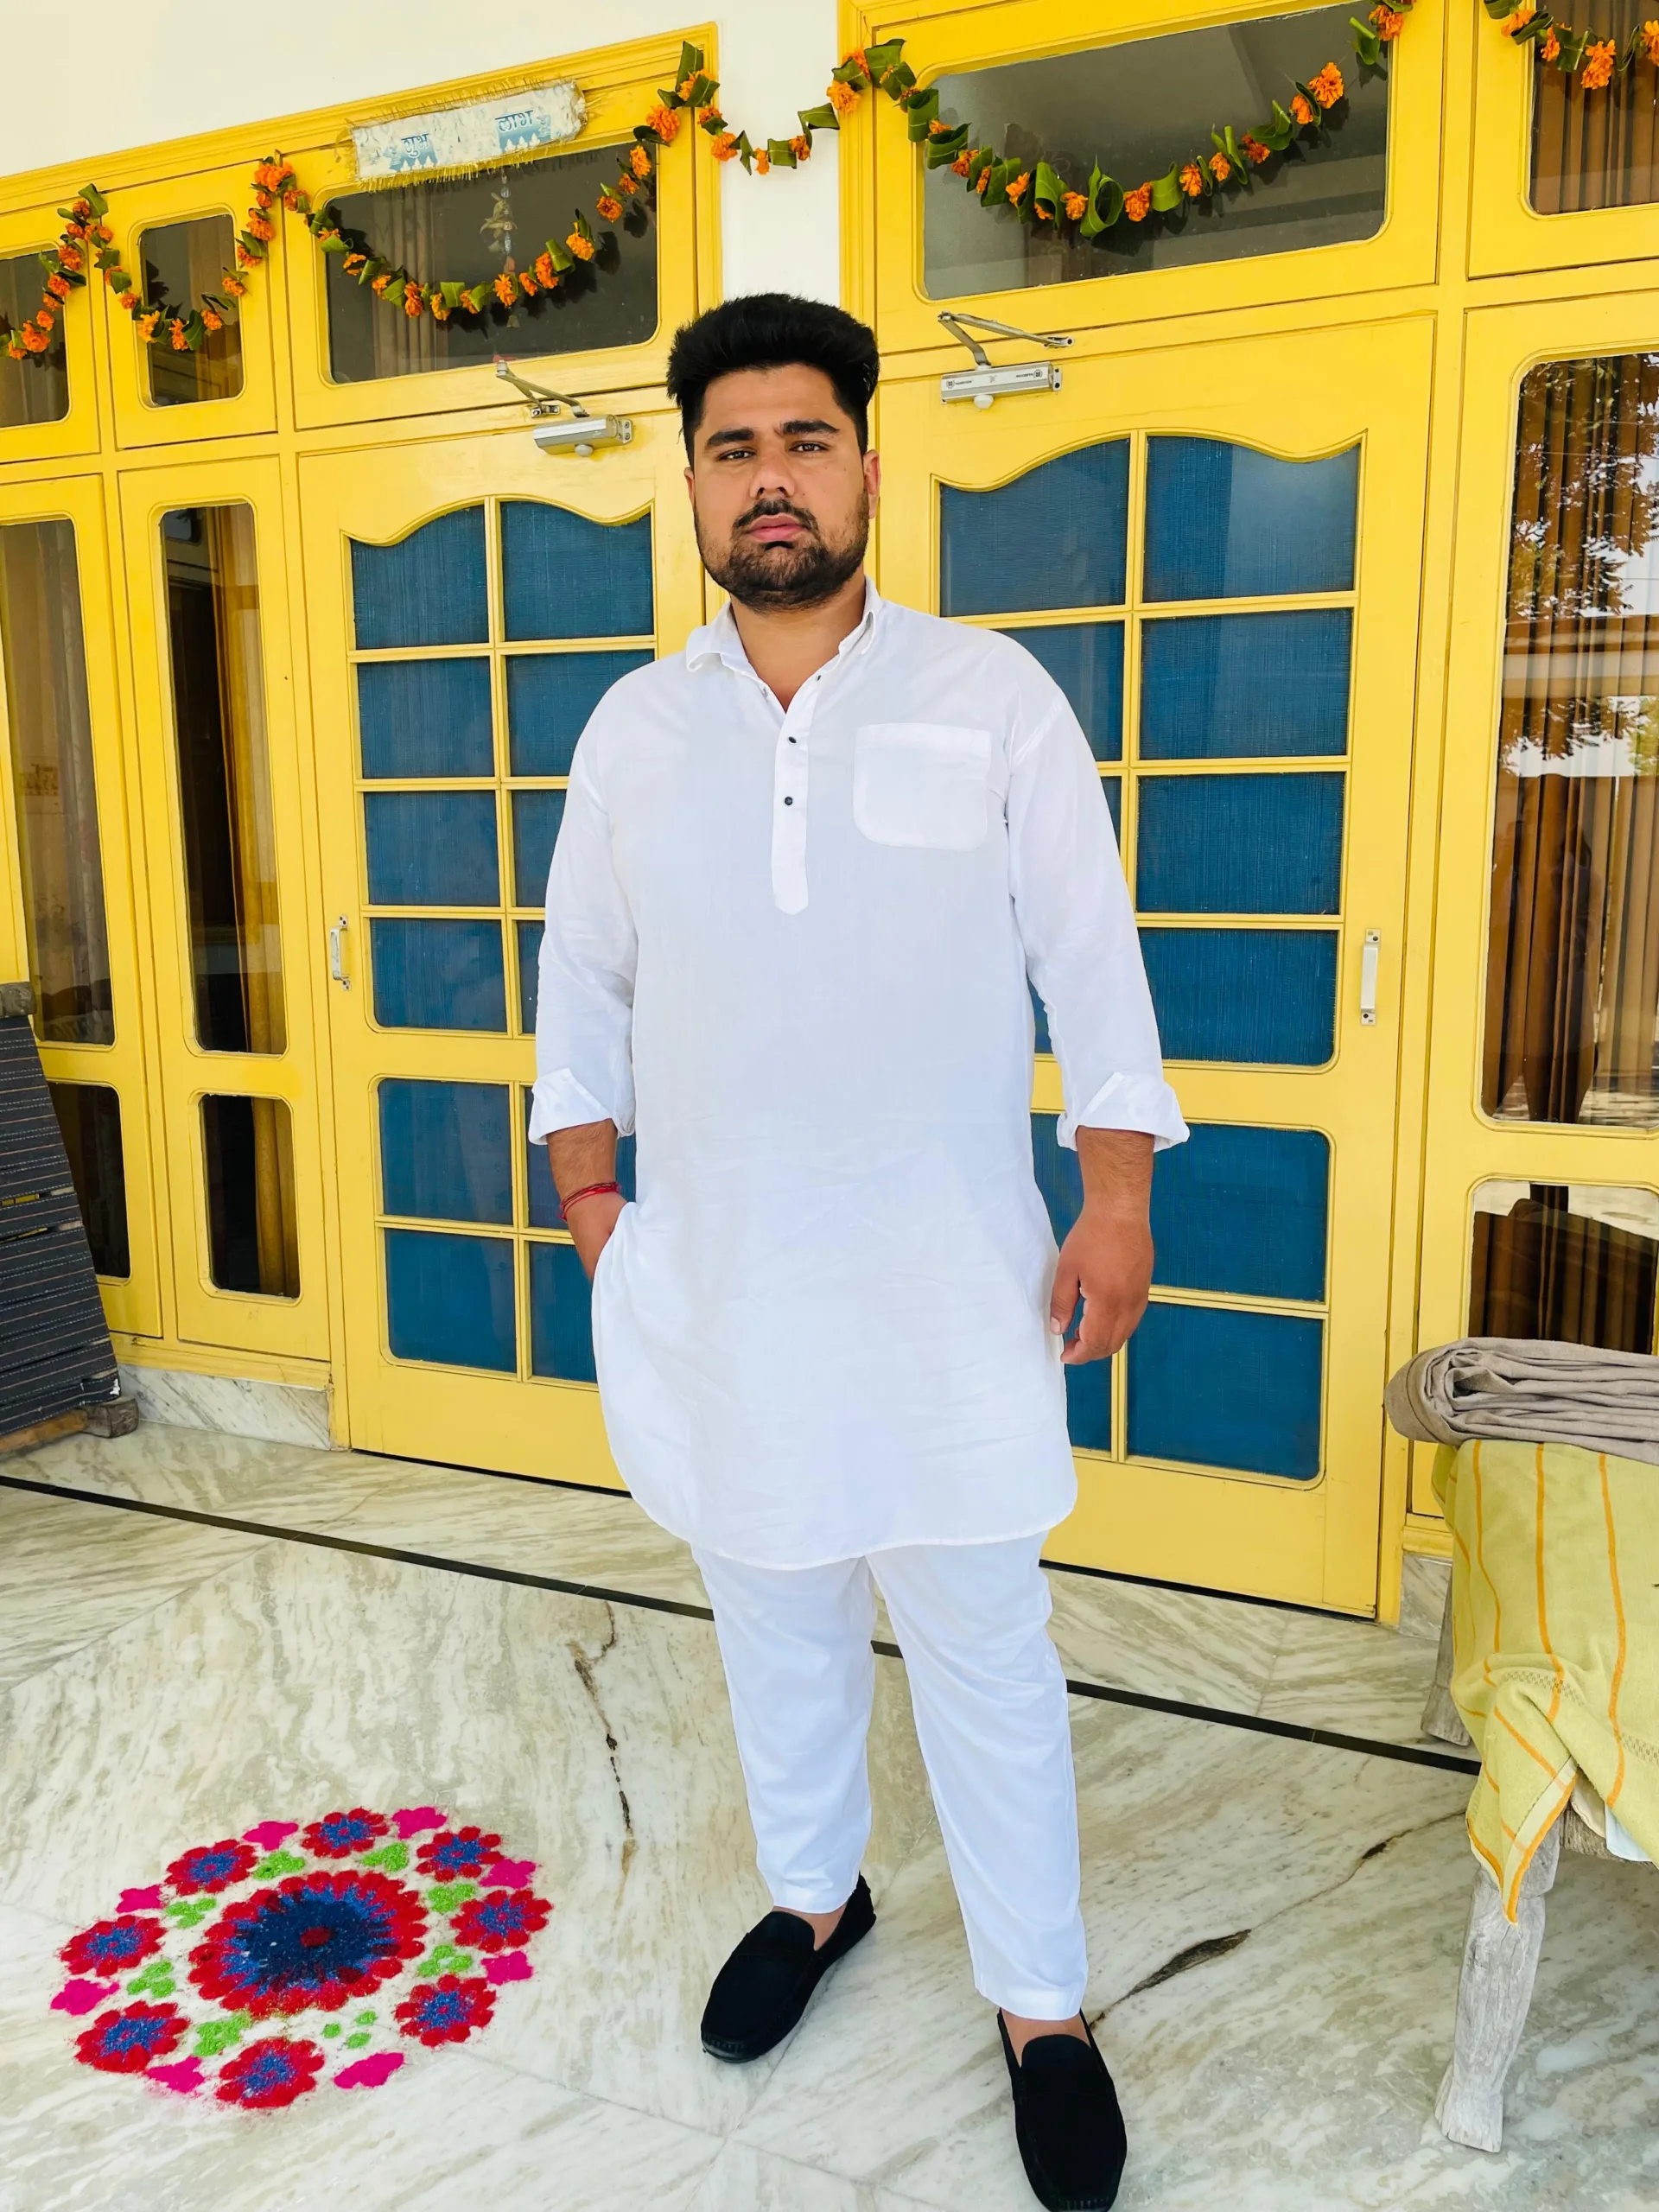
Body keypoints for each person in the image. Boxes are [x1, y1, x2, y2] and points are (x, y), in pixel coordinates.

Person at [530, 293, 1186, 2212]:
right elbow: (583, 983)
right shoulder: (635, 729)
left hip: (950, 1286)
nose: (772, 480)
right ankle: (815, 1895)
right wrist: (595, 1209)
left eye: (804, 440)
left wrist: (1119, 1195)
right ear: (691, 486)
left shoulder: (991, 696)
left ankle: (1042, 2003)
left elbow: (1092, 961)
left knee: (985, 1642)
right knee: (775, 1615)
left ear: (869, 466)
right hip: (726, 1287)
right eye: (733, 448)